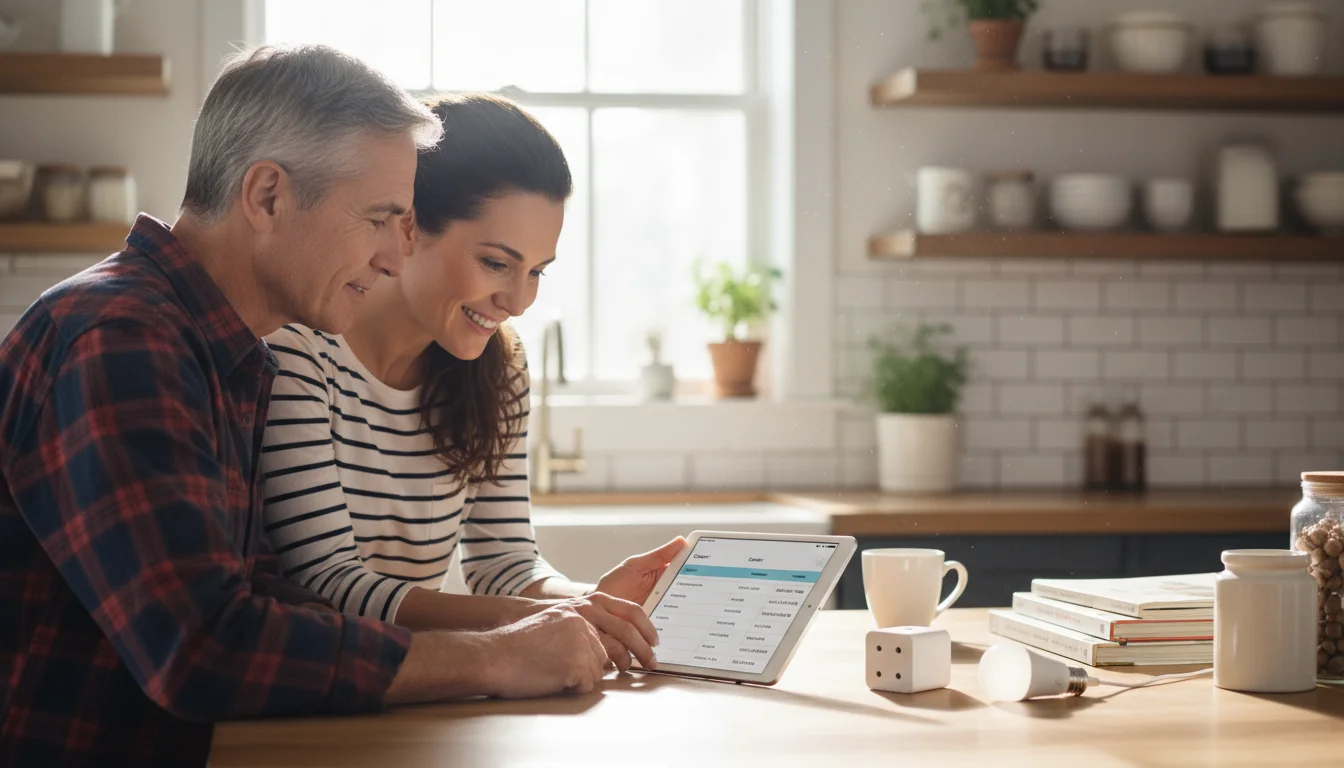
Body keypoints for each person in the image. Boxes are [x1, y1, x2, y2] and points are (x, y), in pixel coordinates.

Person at [0, 46, 643, 767]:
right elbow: (203, 648)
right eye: (379, 219)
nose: (395, 259)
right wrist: (493, 658)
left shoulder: (228, 351)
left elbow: (274, 599)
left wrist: (553, 623)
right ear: (268, 196)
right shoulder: (120, 339)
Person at [260, 92, 686, 672]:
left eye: (536, 271)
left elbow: (505, 565)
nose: (518, 300)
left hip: (424, 703)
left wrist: (588, 604)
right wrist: (545, 623)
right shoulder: (300, 352)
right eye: (495, 263)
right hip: (312, 700)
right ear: (409, 227)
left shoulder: (500, 369)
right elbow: (327, 583)